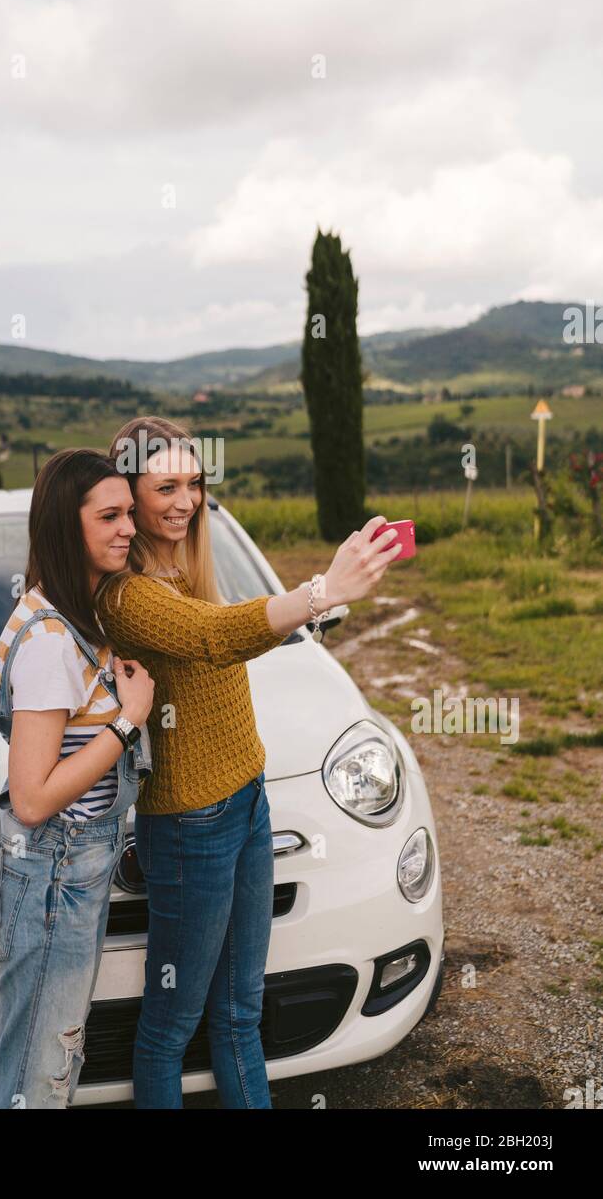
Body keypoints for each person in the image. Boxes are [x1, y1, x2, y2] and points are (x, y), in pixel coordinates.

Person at [95, 415, 401, 1109]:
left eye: (194, 484)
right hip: (188, 827)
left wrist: (314, 603)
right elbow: (215, 637)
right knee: (170, 1026)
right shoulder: (127, 595)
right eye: (165, 486)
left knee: (239, 1013)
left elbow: (234, 634)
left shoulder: (186, 566)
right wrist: (322, 592)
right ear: (129, 494)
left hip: (247, 799)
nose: (184, 500)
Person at [0, 447, 154, 1108]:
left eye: (129, 513)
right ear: (64, 525)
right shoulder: (53, 639)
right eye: (109, 515)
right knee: (37, 1076)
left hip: (65, 876)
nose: (128, 528)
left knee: (47, 1058)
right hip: (53, 880)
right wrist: (127, 721)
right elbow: (31, 798)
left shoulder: (70, 615)